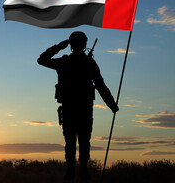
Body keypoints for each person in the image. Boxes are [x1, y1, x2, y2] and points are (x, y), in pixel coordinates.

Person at [37, 31, 119, 181]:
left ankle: (73, 172)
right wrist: (112, 105)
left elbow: (42, 59)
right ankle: (81, 172)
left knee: (71, 143)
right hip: (83, 109)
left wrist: (61, 46)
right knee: (83, 142)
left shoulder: (65, 62)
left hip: (72, 108)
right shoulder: (88, 63)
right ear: (84, 44)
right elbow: (101, 86)